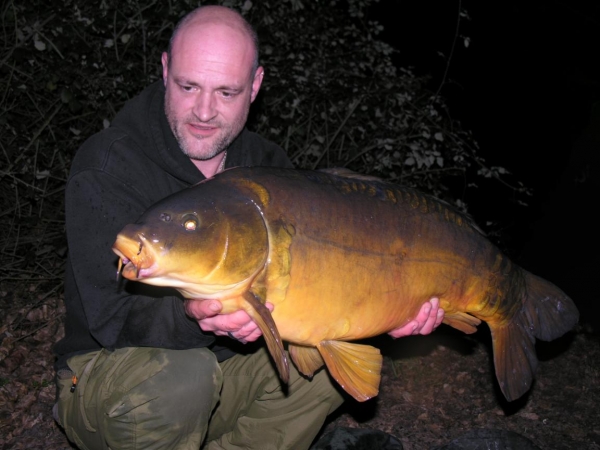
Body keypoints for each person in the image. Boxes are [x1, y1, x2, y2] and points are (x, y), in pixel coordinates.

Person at [53, 5, 444, 450]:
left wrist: (390, 308)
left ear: (255, 86)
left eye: (226, 92)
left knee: (315, 369)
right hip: (110, 380)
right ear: (164, 69)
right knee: (185, 380)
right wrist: (193, 317)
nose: (203, 111)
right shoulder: (107, 166)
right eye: (188, 86)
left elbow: (322, 285)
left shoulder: (269, 169)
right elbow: (111, 320)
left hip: (223, 377)